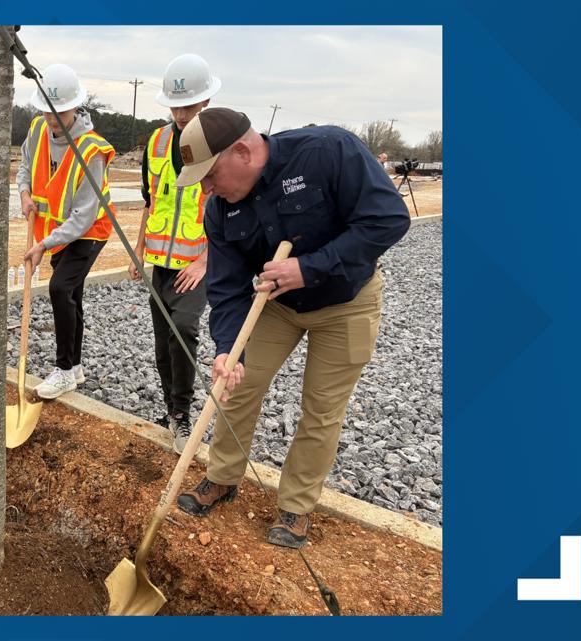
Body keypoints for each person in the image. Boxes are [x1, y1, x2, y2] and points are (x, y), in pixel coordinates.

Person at [171, 108, 410, 548]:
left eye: (210, 175)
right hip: (276, 306)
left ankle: (296, 507)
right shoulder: (220, 211)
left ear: (242, 151)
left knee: (321, 408)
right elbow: (225, 289)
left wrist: (310, 267)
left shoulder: (328, 152)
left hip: (346, 303)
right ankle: (222, 477)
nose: (207, 189)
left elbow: (388, 220)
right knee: (235, 384)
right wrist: (227, 348)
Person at [128, 53, 220, 454]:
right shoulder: (157, 141)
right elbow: (151, 200)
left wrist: (205, 260)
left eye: (189, 105)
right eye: (175, 106)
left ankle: (182, 415)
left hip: (196, 263)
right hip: (160, 263)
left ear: (206, 103)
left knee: (184, 330)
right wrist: (139, 247)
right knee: (163, 340)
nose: (181, 114)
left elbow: (229, 210)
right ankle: (171, 410)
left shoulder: (218, 145)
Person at [17, 64, 116, 400]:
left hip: (90, 231)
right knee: (72, 294)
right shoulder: (37, 129)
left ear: (76, 106)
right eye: (47, 111)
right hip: (57, 230)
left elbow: (83, 216)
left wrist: (43, 245)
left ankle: (62, 370)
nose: (53, 119)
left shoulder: (91, 151)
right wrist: (25, 193)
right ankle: (74, 367)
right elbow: (25, 167)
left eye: (60, 111)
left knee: (60, 288)